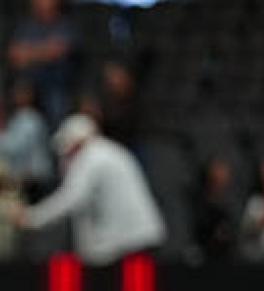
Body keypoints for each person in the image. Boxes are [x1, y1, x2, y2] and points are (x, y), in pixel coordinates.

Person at [15, 113, 165, 265]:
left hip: (129, 243)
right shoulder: (110, 151)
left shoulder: (91, 156)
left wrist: (32, 217)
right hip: (139, 238)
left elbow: (71, 198)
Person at [7, 0, 76, 127]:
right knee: (20, 94)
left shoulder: (63, 25)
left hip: (57, 84)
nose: (37, 5)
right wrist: (43, 51)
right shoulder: (28, 26)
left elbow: (57, 51)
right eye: (35, 2)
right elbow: (14, 54)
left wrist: (29, 53)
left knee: (56, 104)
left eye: (42, 1)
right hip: (30, 84)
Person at [191, 155, 238, 263]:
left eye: (224, 171)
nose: (221, 175)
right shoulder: (199, 202)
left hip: (230, 258)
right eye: (217, 170)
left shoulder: (234, 202)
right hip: (204, 257)